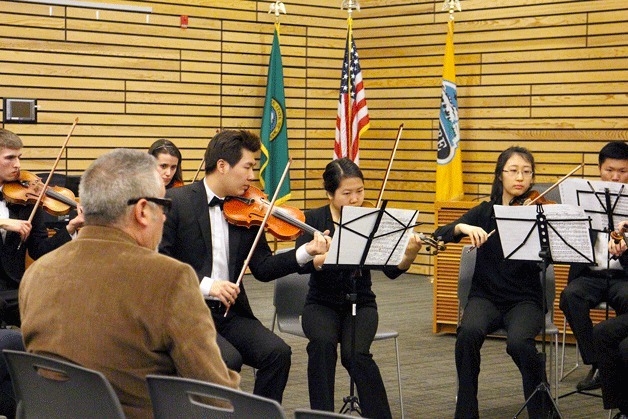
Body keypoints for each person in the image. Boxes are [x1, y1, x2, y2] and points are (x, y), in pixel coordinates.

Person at [19, 149, 240, 419]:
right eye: (165, 205)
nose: (165, 217)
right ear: (144, 211)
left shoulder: (37, 273)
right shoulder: (169, 278)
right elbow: (216, 394)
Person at [159, 129, 329, 403]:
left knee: (278, 354)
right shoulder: (177, 202)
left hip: (229, 313)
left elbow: (262, 268)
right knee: (230, 360)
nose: (252, 176)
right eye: (248, 167)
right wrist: (208, 285)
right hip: (187, 312)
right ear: (223, 166)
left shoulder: (246, 208)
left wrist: (306, 252)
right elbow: (161, 265)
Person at [294, 158, 421, 418]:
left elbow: (392, 270)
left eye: (360, 191)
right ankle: (321, 415)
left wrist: (409, 254)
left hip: (361, 303)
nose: (355, 200)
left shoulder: (373, 220)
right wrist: (320, 257)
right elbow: (303, 265)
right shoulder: (313, 219)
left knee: (356, 355)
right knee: (322, 346)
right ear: (330, 193)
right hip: (321, 303)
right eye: (347, 193)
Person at [434, 146, 552, 419]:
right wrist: (463, 228)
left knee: (520, 343)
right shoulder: (485, 212)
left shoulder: (539, 214)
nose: (520, 177)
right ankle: (466, 412)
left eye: (526, 171)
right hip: (485, 297)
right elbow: (441, 234)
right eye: (513, 171)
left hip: (525, 300)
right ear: (500, 175)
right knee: (467, 335)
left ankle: (541, 410)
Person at [559, 141, 628, 391]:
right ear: (600, 169)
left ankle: (620, 360)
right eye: (610, 170)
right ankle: (598, 362)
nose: (615, 176)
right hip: (591, 274)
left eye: (622, 171)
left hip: (624, 276)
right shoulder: (582, 197)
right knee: (570, 296)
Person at [0, 128, 83, 327]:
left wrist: (70, 228)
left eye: (19, 157)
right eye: (10, 158)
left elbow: (40, 250)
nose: (17, 165)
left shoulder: (26, 200)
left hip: (12, 291)